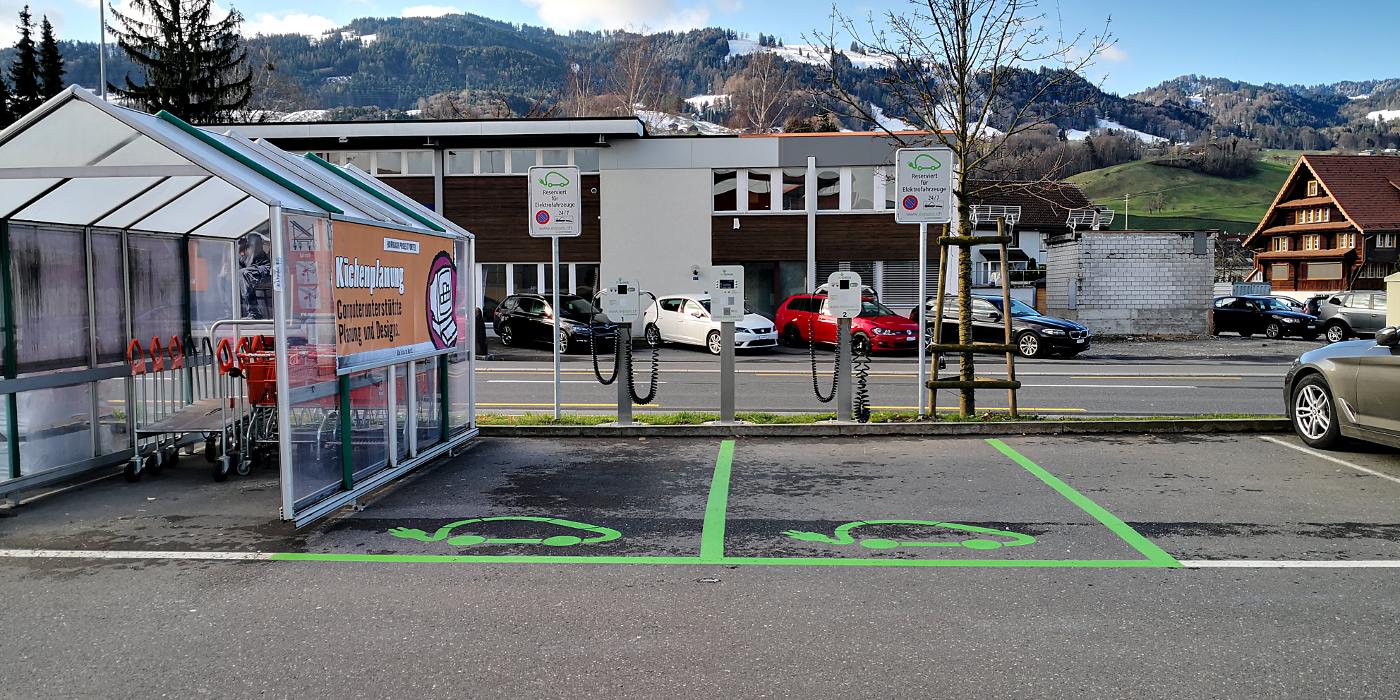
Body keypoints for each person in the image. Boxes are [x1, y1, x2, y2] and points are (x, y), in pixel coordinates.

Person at [238, 233, 272, 319]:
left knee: (244, 273)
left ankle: (254, 312)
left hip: (264, 269)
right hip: (252, 269)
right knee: (227, 276)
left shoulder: (254, 237)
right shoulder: (241, 243)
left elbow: (251, 259)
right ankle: (229, 311)